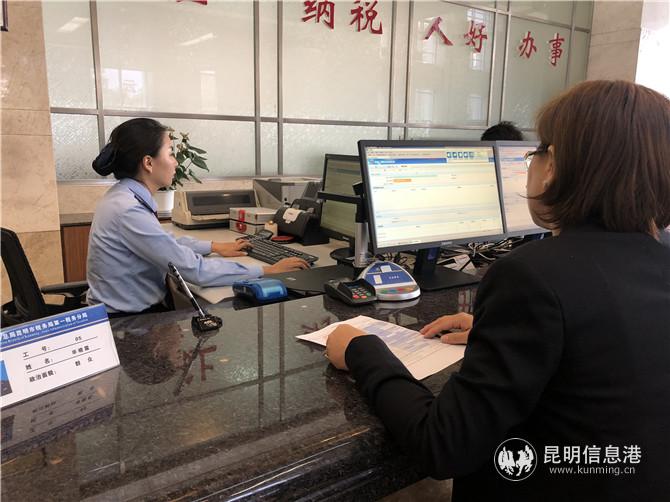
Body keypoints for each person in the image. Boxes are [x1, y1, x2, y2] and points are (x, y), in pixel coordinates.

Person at [326, 81, 670, 501]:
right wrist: (509, 334)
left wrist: (362, 350)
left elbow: (445, 444)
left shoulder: (532, 275)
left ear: (553, 165)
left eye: (535, 153)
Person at [88, 118, 308, 315]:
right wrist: (266, 270)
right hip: (126, 322)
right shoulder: (129, 210)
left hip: (125, 311)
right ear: (148, 163)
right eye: (170, 153)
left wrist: (214, 246)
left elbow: (164, 243)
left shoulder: (124, 196)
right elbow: (195, 270)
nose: (176, 162)